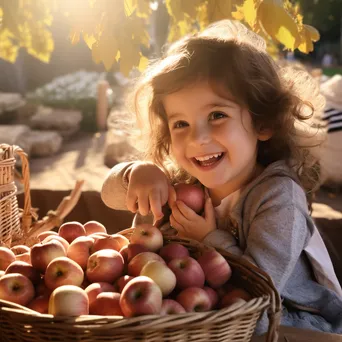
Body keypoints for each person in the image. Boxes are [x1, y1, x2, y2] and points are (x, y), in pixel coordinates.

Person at [101, 20, 342, 335]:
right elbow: (110, 195)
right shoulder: (180, 181)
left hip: (287, 321)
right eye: (181, 124)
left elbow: (260, 292)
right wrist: (136, 172)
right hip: (201, 313)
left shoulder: (279, 196)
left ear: (263, 124)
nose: (197, 138)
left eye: (217, 116)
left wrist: (209, 240)